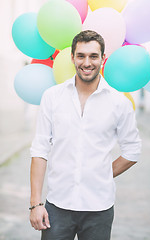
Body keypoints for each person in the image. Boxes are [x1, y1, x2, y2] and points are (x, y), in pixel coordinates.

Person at [29, 30, 141, 240]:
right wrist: (35, 204)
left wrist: (100, 174)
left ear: (103, 59)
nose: (87, 62)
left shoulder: (119, 103)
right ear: (72, 58)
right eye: (81, 56)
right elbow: (40, 149)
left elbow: (132, 151)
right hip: (57, 206)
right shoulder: (52, 97)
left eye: (93, 56)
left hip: (99, 207)